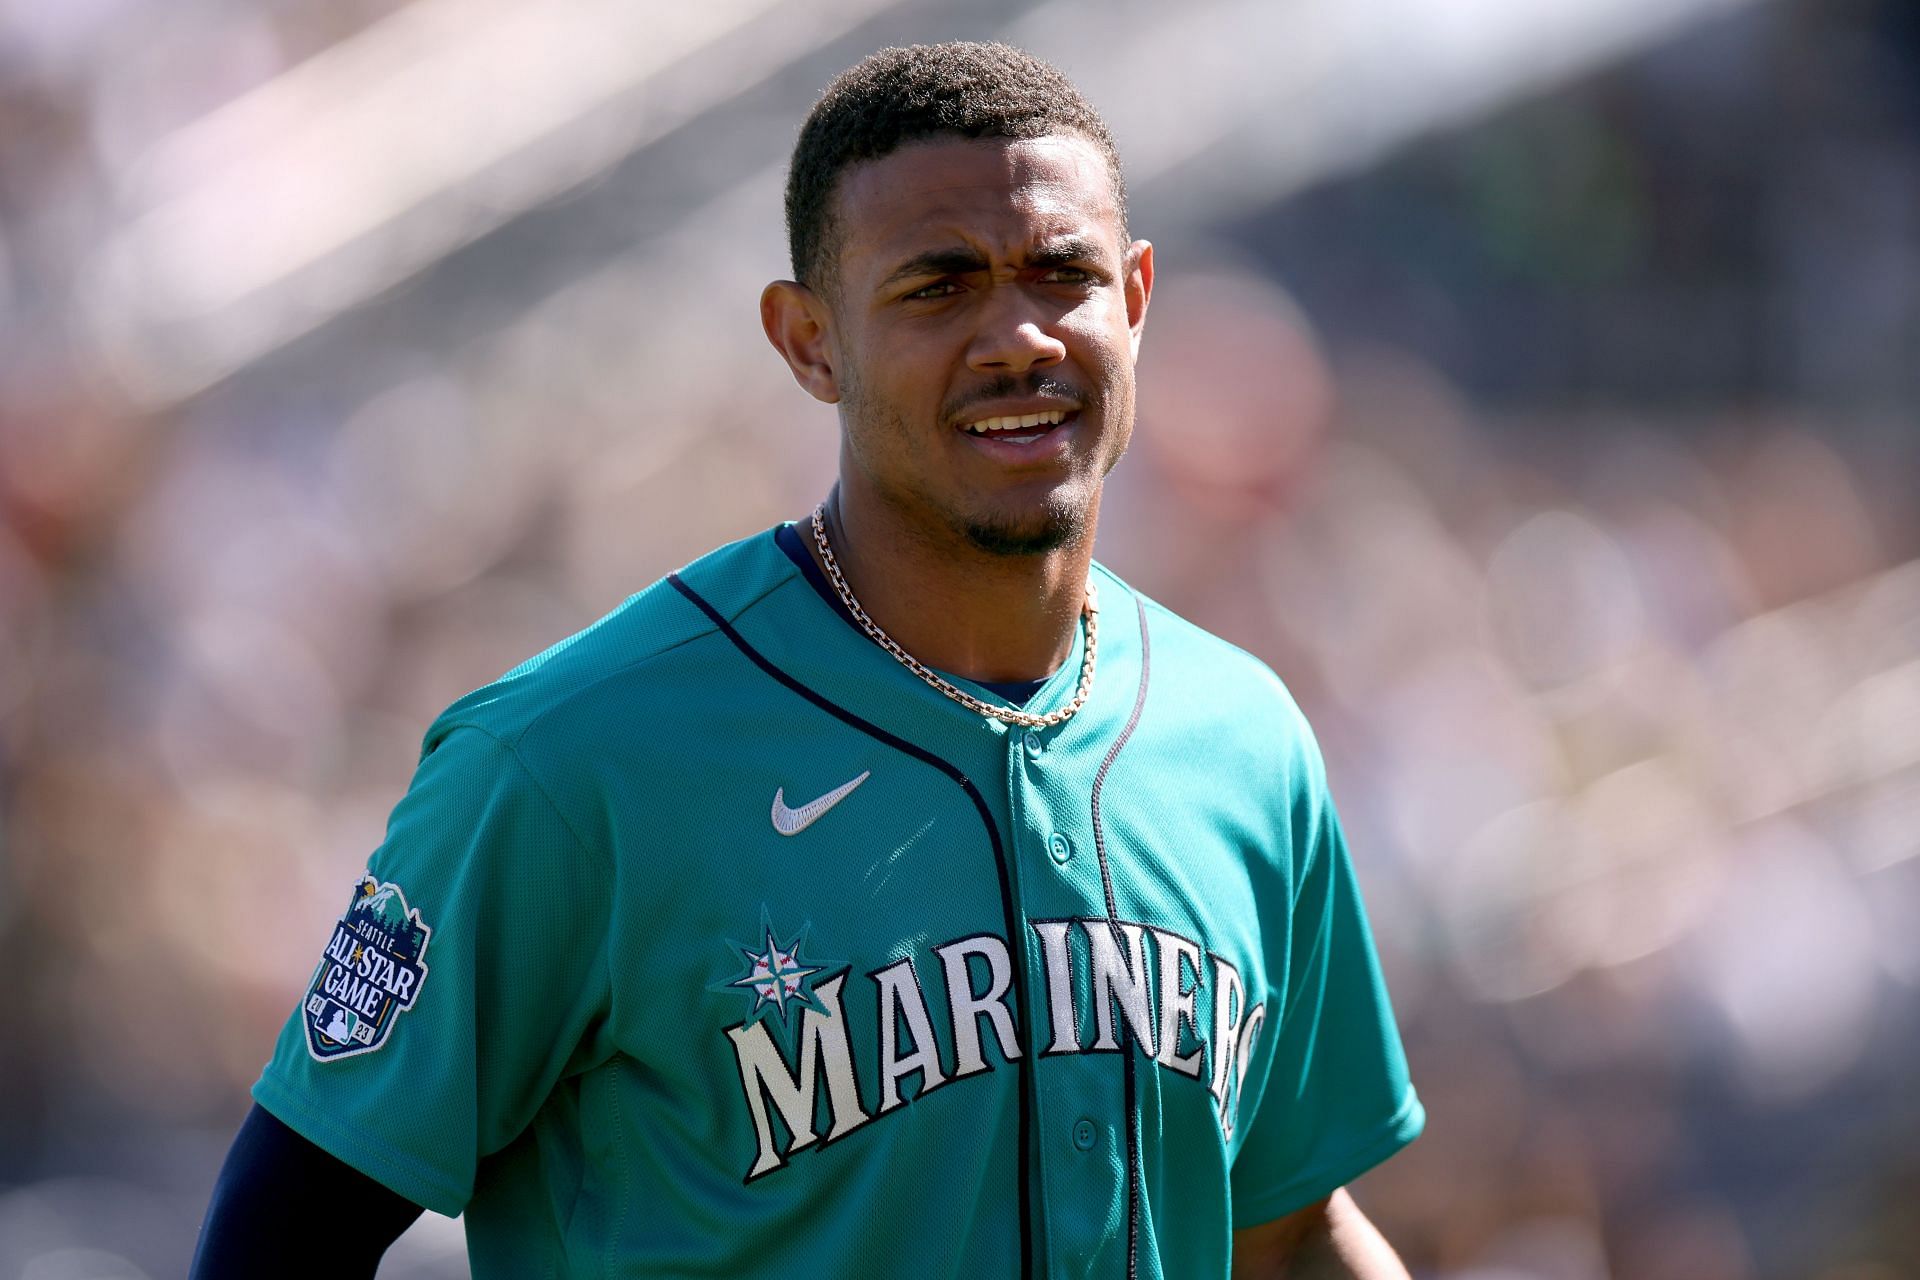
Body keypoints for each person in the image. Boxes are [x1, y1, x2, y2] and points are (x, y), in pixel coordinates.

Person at [191, 41, 1423, 1279]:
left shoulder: (1243, 738)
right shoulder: (570, 761)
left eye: (1063, 274)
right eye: (939, 287)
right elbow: (278, 1236)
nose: (1018, 335)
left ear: (1139, 297)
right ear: (808, 341)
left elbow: (1291, 1226)